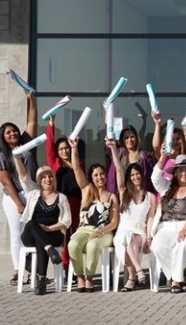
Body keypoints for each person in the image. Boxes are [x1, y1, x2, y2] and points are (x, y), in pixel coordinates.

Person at [0, 91, 38, 286]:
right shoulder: (0, 157)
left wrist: (32, 101)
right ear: (3, 137)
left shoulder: (26, 144)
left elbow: (32, 122)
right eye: (8, 132)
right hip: (14, 197)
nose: (13, 133)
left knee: (34, 232)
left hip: (33, 193)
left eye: (14, 130)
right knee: (17, 233)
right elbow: (6, 182)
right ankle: (18, 270)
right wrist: (19, 203)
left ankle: (34, 270)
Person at [150, 150, 186, 293]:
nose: (184, 173)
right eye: (181, 170)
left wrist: (185, 229)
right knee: (157, 246)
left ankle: (175, 280)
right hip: (167, 227)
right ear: (175, 172)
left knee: (183, 244)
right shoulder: (166, 186)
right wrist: (163, 157)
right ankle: (180, 277)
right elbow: (155, 177)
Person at [13, 155, 71, 295]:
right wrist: (17, 158)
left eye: (50, 176)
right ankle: (50, 252)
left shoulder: (61, 198)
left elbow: (67, 221)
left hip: (53, 233)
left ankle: (41, 280)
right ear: (39, 180)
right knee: (33, 223)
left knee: (42, 242)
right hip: (30, 234)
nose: (47, 179)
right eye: (43, 177)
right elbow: (23, 177)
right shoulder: (33, 193)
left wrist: (49, 228)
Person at [67, 137, 119, 292]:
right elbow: (76, 168)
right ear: (92, 177)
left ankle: (90, 277)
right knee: (73, 245)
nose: (99, 177)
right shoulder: (87, 191)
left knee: (92, 245)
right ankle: (80, 276)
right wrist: (74, 148)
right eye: (96, 175)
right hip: (84, 229)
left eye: (102, 174)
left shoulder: (111, 196)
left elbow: (114, 221)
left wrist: (100, 232)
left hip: (104, 232)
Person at [113, 150, 156, 292]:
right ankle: (138, 271)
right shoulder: (124, 193)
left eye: (137, 173)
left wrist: (149, 237)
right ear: (129, 177)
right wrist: (113, 148)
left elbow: (150, 218)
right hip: (123, 230)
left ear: (142, 175)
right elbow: (118, 168)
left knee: (131, 239)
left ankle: (132, 278)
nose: (135, 177)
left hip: (140, 232)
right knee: (126, 236)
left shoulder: (150, 196)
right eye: (132, 175)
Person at [45, 114, 82, 270]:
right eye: (61, 149)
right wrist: (51, 125)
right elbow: (49, 147)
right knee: (65, 236)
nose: (64, 151)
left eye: (66, 147)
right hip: (62, 204)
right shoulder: (55, 163)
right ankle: (66, 268)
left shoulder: (77, 162)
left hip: (78, 202)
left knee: (77, 236)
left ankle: (77, 268)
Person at [107, 125, 155, 194]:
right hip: (124, 195)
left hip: (141, 195)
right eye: (126, 138)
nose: (129, 140)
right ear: (122, 140)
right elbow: (109, 132)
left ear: (136, 138)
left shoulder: (145, 156)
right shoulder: (118, 153)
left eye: (132, 137)